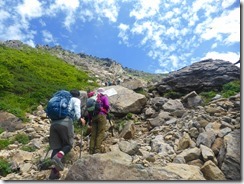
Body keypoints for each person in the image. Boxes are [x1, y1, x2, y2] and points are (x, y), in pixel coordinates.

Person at [48, 89, 86, 180]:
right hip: (65, 122)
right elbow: (77, 109)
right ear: (78, 95)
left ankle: (54, 173)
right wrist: (80, 119)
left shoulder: (62, 100)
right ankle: (58, 157)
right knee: (68, 145)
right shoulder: (75, 99)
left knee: (56, 147)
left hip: (53, 124)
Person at [87, 88, 110, 154]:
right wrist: (105, 110)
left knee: (93, 133)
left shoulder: (94, 98)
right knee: (101, 132)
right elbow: (107, 105)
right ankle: (97, 149)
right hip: (101, 115)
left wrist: (90, 119)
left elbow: (89, 111)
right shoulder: (104, 97)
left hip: (93, 117)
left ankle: (91, 150)